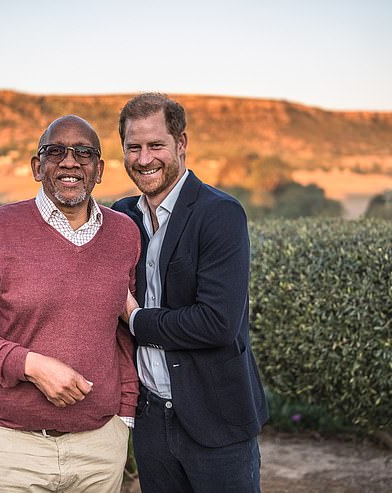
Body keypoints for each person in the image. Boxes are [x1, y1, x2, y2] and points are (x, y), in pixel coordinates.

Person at [0, 115, 140, 492]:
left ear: (100, 170)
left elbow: (122, 331)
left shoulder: (124, 235)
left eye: (85, 153)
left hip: (99, 451)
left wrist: (123, 417)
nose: (70, 161)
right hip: (7, 450)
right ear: (36, 166)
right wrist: (30, 365)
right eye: (55, 151)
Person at [113, 93, 269, 493]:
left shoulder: (220, 213)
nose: (144, 158)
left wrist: (136, 318)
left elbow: (217, 323)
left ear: (181, 144)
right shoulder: (121, 217)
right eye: (134, 147)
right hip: (150, 422)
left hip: (216, 420)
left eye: (156, 145)